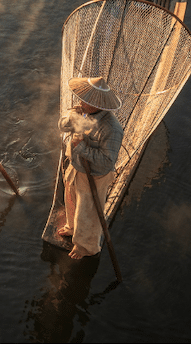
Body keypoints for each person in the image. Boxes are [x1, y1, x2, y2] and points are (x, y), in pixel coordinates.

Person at [57, 76, 123, 259]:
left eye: (86, 101)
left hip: (95, 174)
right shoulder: (83, 111)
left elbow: (106, 162)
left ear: (97, 105)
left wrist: (82, 148)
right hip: (77, 166)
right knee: (70, 196)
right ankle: (72, 227)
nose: (81, 103)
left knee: (88, 212)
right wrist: (72, 117)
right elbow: (62, 127)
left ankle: (85, 247)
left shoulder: (111, 129)